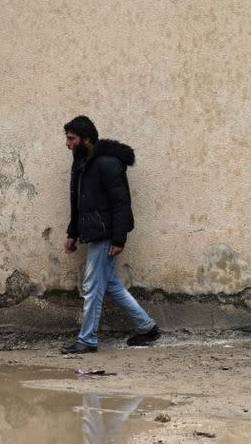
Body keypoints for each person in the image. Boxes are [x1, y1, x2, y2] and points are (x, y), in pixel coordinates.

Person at [61, 115, 160, 354]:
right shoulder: (82, 162)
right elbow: (78, 202)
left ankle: (87, 340)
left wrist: (118, 239)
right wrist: (73, 233)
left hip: (104, 234)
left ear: (86, 139)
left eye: (72, 139)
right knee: (110, 283)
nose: (67, 144)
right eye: (67, 138)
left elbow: (121, 204)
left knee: (92, 286)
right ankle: (147, 327)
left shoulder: (108, 163)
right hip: (94, 232)